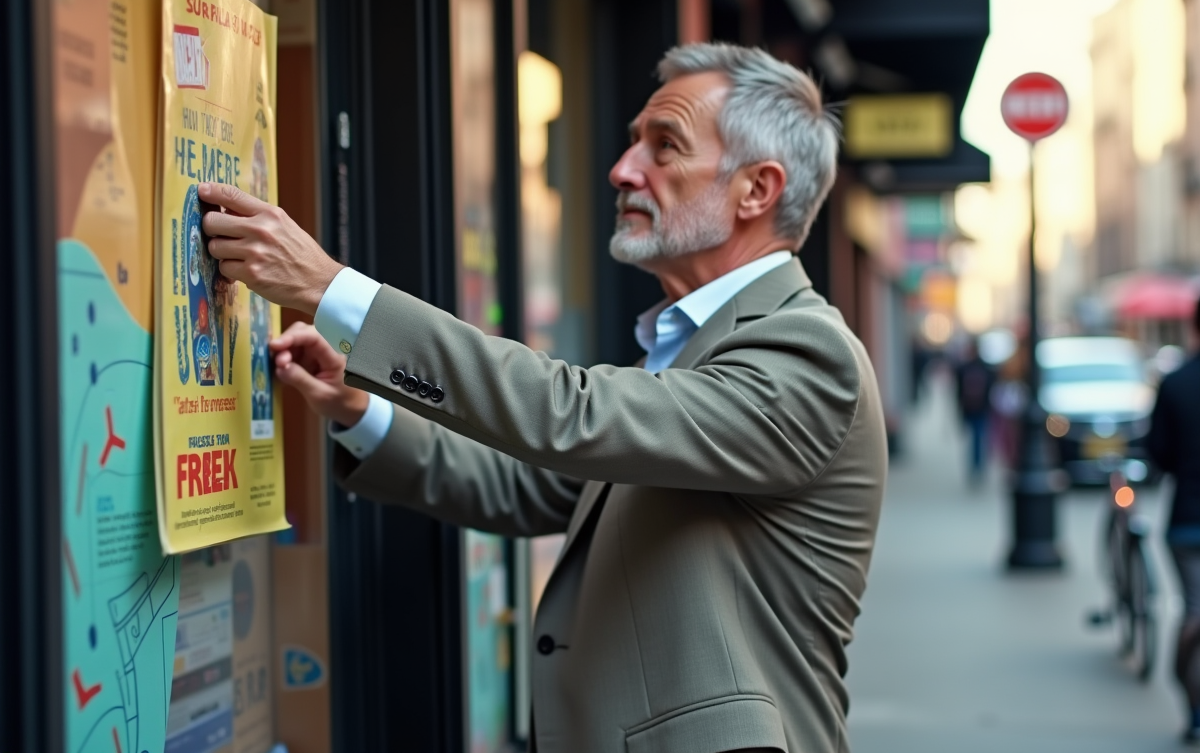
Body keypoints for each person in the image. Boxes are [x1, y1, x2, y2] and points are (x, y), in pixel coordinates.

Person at [200, 42, 887, 753]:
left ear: (756, 190)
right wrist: (358, 408)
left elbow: (572, 415)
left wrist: (334, 292)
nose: (623, 170)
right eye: (631, 144)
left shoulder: (810, 355)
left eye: (665, 146)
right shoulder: (694, 346)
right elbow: (526, 486)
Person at [1149, 296, 1200, 745]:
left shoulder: (1177, 382)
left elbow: (1158, 455)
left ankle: (1191, 702)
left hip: (1186, 521)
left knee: (1193, 609)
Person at [955, 339, 995, 485]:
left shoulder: (963, 367)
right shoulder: (986, 368)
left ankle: (975, 466)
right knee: (979, 438)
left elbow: (958, 392)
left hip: (970, 409)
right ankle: (978, 466)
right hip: (981, 408)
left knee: (974, 439)